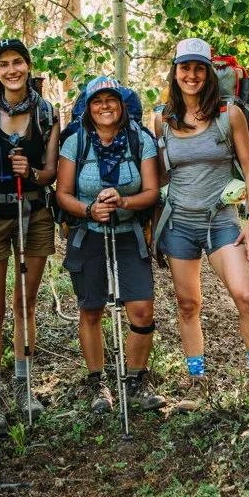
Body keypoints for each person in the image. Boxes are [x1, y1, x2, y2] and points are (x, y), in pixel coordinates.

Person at [152, 38, 249, 414]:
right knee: (188, 304)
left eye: (198, 68)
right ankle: (197, 384)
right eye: (184, 68)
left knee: (245, 296)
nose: (191, 75)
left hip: (222, 221)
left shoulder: (229, 114)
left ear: (208, 73)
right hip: (179, 224)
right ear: (175, 72)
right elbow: (157, 175)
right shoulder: (160, 117)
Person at [55, 76, 166, 413]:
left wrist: (123, 202)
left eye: (111, 99)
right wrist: (89, 209)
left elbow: (151, 191)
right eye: (97, 100)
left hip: (129, 233)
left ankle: (134, 381)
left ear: (122, 103)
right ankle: (97, 382)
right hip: (88, 234)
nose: (105, 106)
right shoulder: (75, 140)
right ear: (87, 107)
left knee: (142, 309)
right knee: (91, 309)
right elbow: (62, 193)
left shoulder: (139, 138)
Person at [0, 38, 59, 433]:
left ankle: (24, 386)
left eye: (18, 62)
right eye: (3, 64)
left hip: (34, 212)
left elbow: (51, 171)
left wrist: (32, 174)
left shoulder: (46, 113)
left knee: (26, 303)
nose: (12, 70)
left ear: (28, 65)